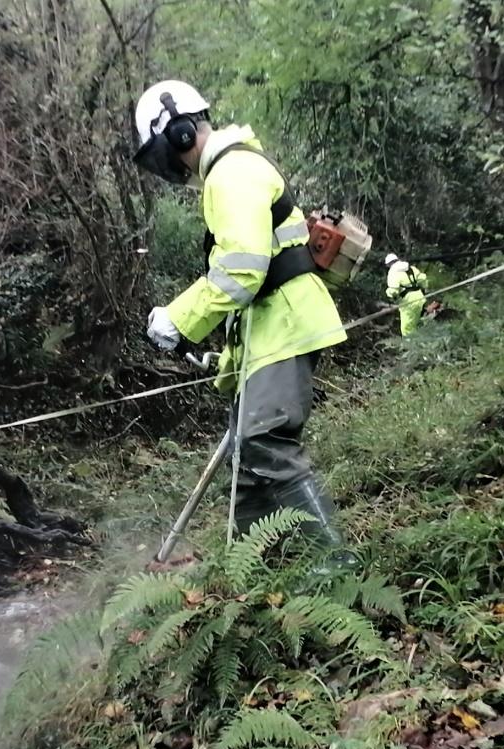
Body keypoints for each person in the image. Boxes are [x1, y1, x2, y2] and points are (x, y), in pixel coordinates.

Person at [132, 79, 347, 547]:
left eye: (161, 152)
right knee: (248, 461)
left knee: (263, 441)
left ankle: (335, 561)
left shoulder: (232, 173)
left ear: (179, 134)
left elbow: (242, 270)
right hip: (270, 329)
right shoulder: (231, 170)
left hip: (285, 324)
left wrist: (179, 319)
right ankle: (252, 569)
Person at [383, 253, 428, 336]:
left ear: (389, 264)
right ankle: (423, 339)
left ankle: (410, 343)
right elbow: (423, 279)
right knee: (418, 322)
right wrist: (425, 288)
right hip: (420, 297)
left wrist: (388, 293)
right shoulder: (411, 268)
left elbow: (394, 291)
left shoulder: (393, 272)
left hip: (408, 302)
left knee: (406, 328)